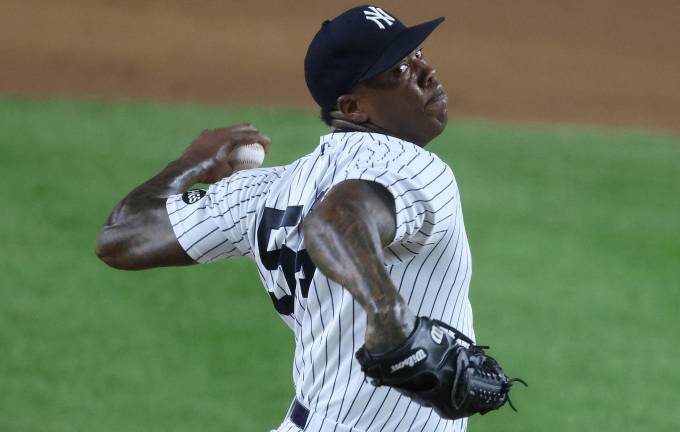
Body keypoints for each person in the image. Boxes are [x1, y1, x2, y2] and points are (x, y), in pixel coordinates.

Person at [96, 5, 511, 431]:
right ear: (352, 107)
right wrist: (390, 316)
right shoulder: (414, 168)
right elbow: (333, 221)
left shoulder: (268, 191)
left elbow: (121, 236)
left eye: (418, 54)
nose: (427, 73)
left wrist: (190, 163)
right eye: (399, 70)